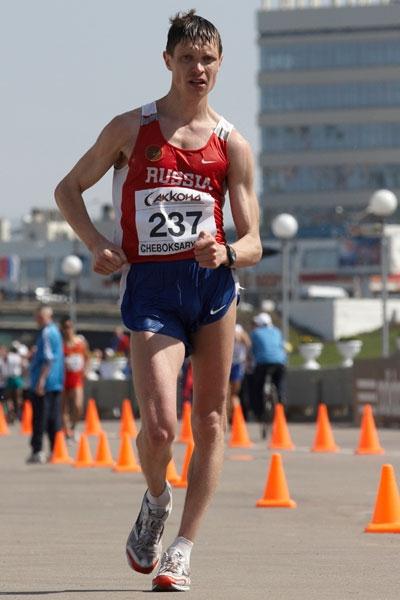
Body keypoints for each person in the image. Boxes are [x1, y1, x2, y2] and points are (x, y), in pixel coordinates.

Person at [54, 10, 261, 592]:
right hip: (151, 290)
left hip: (212, 291)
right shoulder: (131, 128)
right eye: (188, 58)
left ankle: (183, 550)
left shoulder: (232, 145)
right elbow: (68, 189)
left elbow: (254, 241)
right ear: (167, 61)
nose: (199, 69)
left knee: (212, 418)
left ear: (220, 65)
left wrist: (225, 251)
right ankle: (155, 498)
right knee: (163, 428)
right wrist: (97, 244)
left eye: (209, 60)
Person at [27, 306, 64, 464]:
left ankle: (38, 450)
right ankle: (56, 449)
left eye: (39, 317)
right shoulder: (55, 332)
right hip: (55, 382)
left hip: (45, 382)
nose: (37, 320)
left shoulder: (47, 333)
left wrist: (41, 381)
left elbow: (48, 359)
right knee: (53, 418)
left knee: (40, 418)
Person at [250, 312, 288, 422]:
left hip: (262, 363)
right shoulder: (277, 331)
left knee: (257, 387)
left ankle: (259, 412)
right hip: (279, 362)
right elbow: (282, 347)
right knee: (280, 385)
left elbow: (252, 351)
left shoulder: (255, 333)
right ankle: (281, 410)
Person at [60, 316, 90, 439]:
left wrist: (86, 371)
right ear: (62, 329)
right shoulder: (60, 344)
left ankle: (73, 426)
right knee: (64, 408)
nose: (68, 330)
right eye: (65, 328)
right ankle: (67, 432)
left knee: (78, 406)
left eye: (70, 327)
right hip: (63, 379)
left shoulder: (81, 342)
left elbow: (87, 357)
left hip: (76, 378)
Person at [227, 324, 251, 421]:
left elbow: (248, 344)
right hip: (234, 364)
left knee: (232, 395)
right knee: (232, 395)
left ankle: (234, 417)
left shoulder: (241, 337)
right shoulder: (243, 339)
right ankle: (233, 417)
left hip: (234, 364)